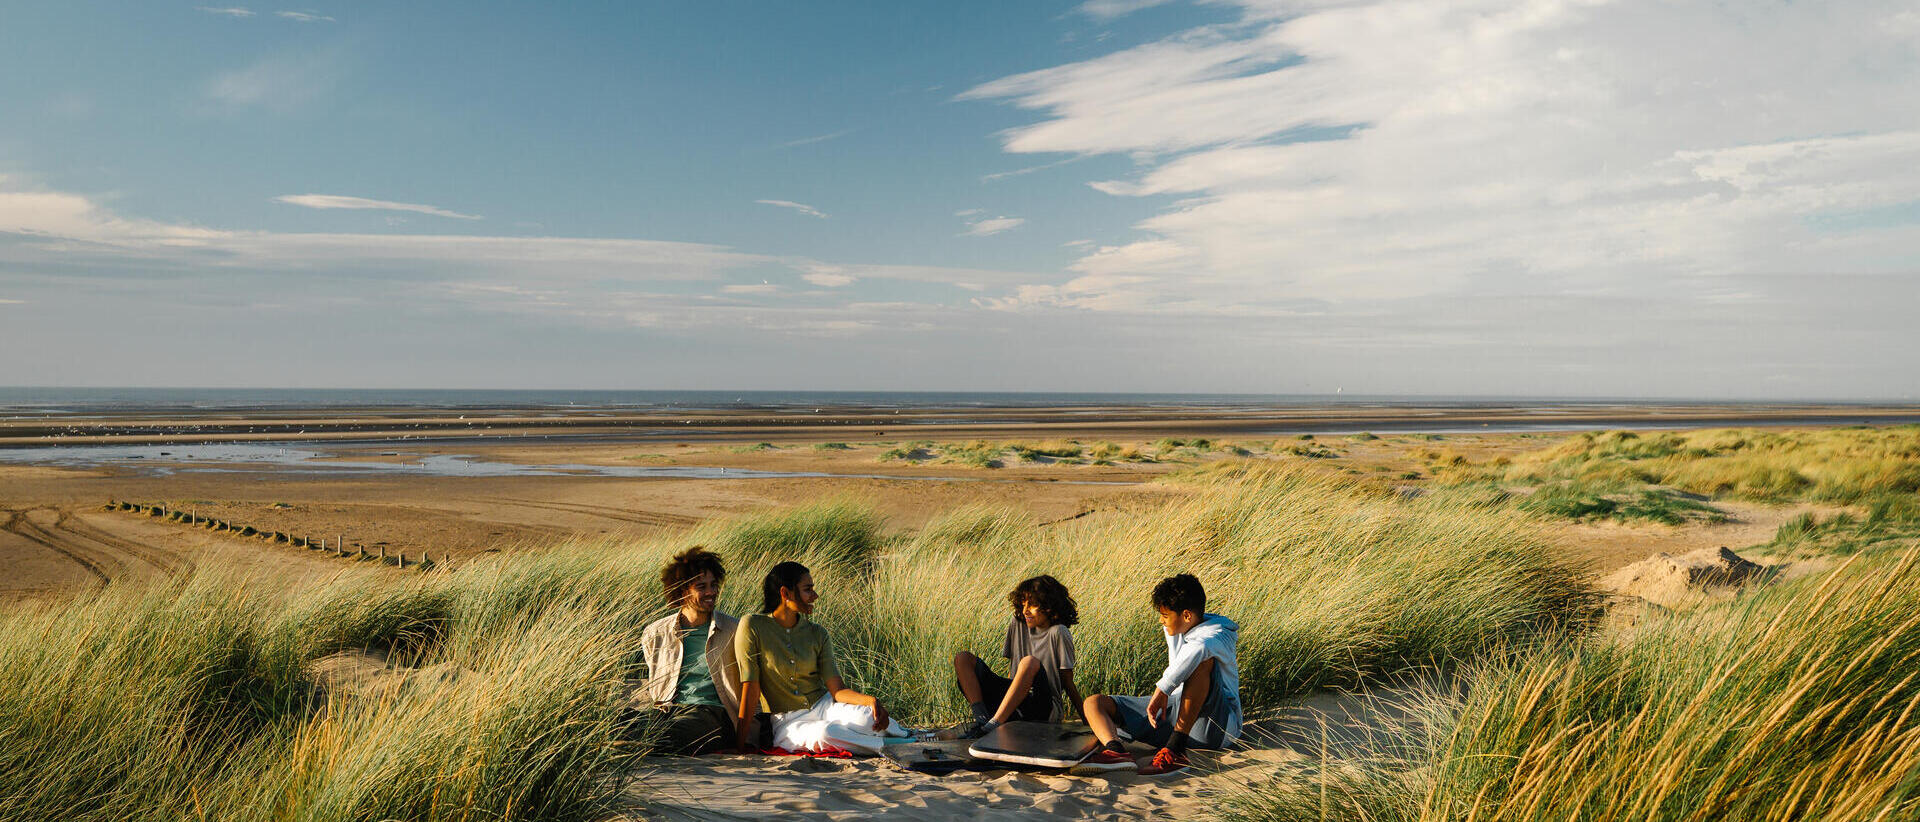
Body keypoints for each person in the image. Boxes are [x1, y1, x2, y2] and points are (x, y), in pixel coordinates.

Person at [733, 561, 909, 755]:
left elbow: (837, 690)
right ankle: (899, 746)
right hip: (788, 722)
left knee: (867, 718)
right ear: (785, 593)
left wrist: (870, 701)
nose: (814, 596)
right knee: (825, 733)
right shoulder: (752, 626)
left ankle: (910, 736)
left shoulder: (818, 633)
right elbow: (750, 688)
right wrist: (740, 745)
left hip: (824, 706)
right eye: (808, 590)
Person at [1076, 574, 1241, 776]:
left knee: (1202, 663)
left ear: (1187, 615)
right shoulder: (1178, 626)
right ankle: (1116, 751)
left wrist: (1162, 688)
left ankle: (1176, 750)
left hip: (1216, 725)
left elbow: (1199, 649)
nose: (1161, 620)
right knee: (1094, 703)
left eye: (1165, 615)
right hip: (1176, 710)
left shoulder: (1218, 634)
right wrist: (1165, 694)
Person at [635, 546, 743, 755]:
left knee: (672, 735)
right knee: (618, 721)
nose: (711, 592)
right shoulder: (656, 632)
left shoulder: (735, 630)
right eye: (701, 587)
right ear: (682, 591)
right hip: (666, 710)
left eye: (713, 585)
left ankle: (640, 747)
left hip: (713, 714)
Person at [951, 574, 1083, 738]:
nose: (1025, 610)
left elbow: (1067, 681)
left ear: (1049, 607)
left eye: (1032, 605)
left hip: (1043, 707)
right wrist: (1007, 699)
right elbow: (1012, 669)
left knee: (1029, 663)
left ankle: (993, 724)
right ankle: (982, 720)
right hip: (1014, 704)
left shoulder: (1059, 632)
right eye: (1023, 604)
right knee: (963, 658)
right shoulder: (1017, 624)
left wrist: (1086, 718)